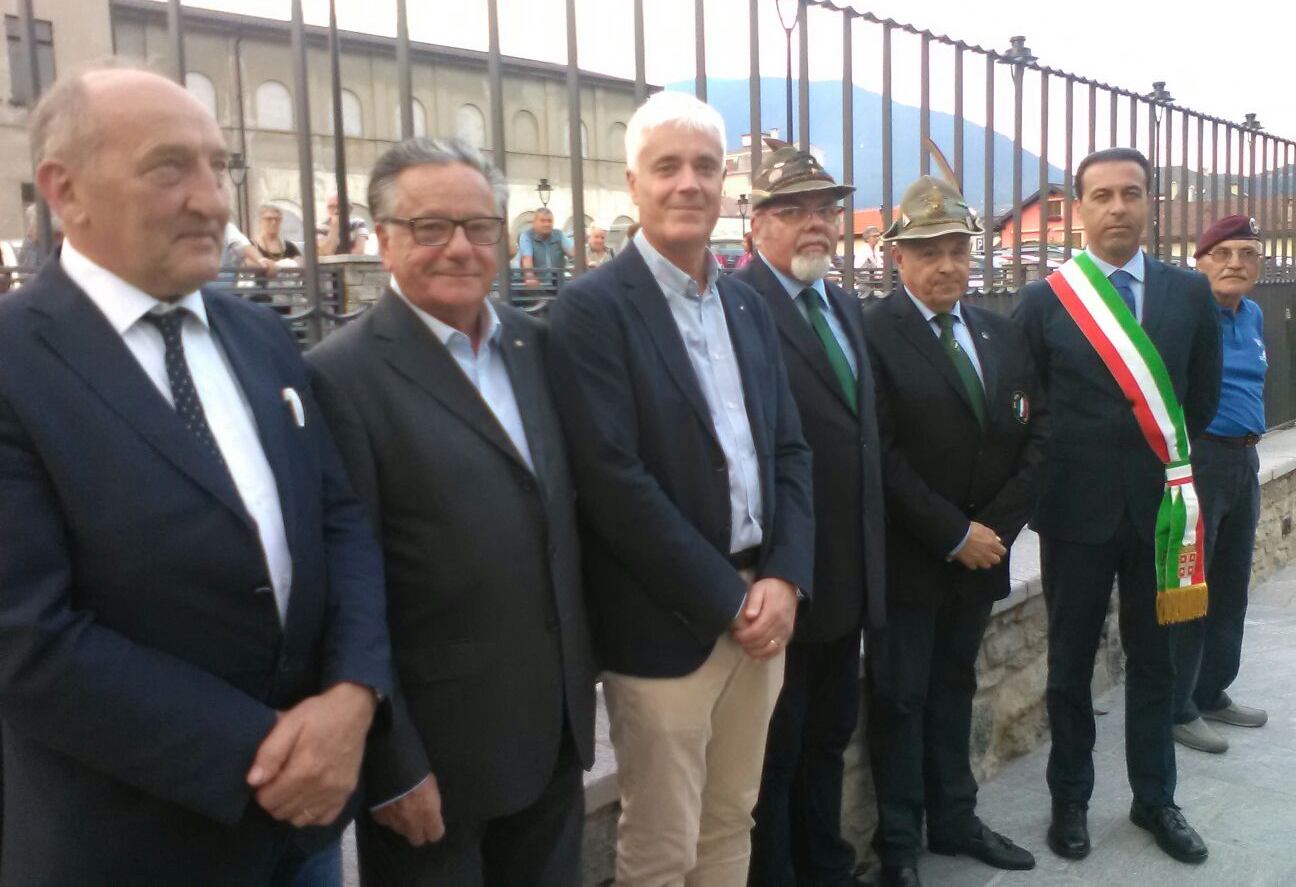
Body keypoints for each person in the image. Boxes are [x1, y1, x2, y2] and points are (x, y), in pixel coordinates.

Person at [0, 62, 391, 882]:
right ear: (65, 191)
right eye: (169, 168)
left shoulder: (261, 335)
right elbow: (27, 635)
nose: (213, 201)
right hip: (133, 840)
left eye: (219, 167)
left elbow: (337, 519)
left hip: (307, 833)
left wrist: (354, 693)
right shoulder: (15, 361)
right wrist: (269, 755)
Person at [307, 137, 596, 885]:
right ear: (383, 239)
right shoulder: (339, 378)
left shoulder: (536, 345)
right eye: (430, 227)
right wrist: (391, 765)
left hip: (552, 735)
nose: (460, 247)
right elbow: (345, 590)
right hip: (437, 759)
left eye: (479, 226)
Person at [548, 91, 814, 886]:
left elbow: (789, 450)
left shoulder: (747, 303)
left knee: (732, 820)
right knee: (663, 847)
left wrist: (785, 576)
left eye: (704, 166)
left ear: (726, 181)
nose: (688, 183)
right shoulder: (591, 311)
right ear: (634, 184)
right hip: (664, 626)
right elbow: (613, 481)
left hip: (763, 608)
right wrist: (730, 602)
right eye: (667, 167)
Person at [1015, 147, 1221, 865]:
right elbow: (1029, 410)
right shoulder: (1044, 301)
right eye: (1101, 195)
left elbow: (1200, 399)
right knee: (1069, 666)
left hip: (1161, 514)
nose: (1117, 208)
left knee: (1156, 662)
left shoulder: (1188, 294)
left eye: (1131, 193)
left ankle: (1155, 798)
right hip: (1075, 516)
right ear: (1079, 208)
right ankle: (1070, 798)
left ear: (1149, 202)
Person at [863, 175, 1046, 887]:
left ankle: (956, 819)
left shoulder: (998, 331)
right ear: (897, 258)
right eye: (927, 252)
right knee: (900, 698)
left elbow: (1037, 433)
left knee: (954, 689)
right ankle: (899, 846)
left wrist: (990, 532)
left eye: (957, 251)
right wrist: (951, 532)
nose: (946, 266)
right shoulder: (873, 334)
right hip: (911, 557)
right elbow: (878, 454)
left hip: (980, 556)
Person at [734, 147, 886, 887]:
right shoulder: (736, 307)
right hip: (781, 576)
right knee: (775, 752)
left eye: (825, 209)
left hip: (847, 571)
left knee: (828, 735)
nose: (815, 224)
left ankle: (828, 867)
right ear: (756, 225)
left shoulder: (844, 305)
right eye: (792, 211)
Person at [1170, 214, 1269, 754]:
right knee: (1191, 588)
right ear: (1200, 262)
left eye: (1248, 253)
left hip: (1245, 460)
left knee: (1231, 586)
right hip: (1200, 460)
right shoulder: (1187, 316)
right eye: (1223, 253)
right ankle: (1177, 706)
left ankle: (1211, 691)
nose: (1236, 264)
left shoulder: (1252, 314)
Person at [519, 207, 573, 285]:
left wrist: (585, 265)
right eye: (543, 221)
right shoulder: (526, 236)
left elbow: (574, 252)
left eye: (549, 221)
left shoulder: (559, 235)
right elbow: (526, 258)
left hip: (558, 285)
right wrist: (530, 277)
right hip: (536, 287)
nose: (547, 224)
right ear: (534, 223)